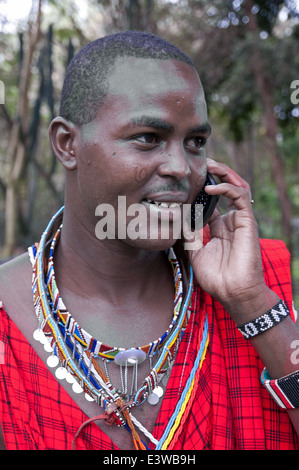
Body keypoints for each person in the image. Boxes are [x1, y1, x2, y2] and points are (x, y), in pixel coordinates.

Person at [0, 31, 298, 451]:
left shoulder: (252, 284)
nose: (181, 167)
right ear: (67, 144)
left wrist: (251, 302)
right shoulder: (6, 323)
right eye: (148, 138)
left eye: (194, 142)